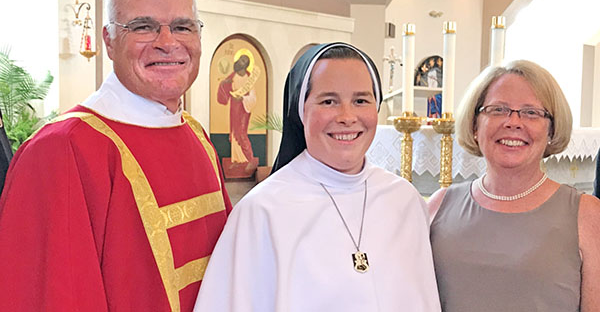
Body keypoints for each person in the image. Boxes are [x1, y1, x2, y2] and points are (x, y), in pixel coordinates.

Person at [0, 0, 231, 312]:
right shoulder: (62, 150)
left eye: (183, 26)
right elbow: (52, 297)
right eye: (143, 26)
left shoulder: (196, 136)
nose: (168, 42)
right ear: (108, 40)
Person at [194, 42, 441, 311]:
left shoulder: (404, 200)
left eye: (360, 100)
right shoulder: (261, 212)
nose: (347, 117)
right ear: (301, 111)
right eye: (328, 101)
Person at [428, 60, 600, 311]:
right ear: (475, 125)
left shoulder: (587, 215)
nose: (513, 122)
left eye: (531, 112)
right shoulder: (438, 207)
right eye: (498, 109)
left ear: (551, 130)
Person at [217, 53, 258, 173]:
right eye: (240, 60)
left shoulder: (249, 78)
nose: (241, 62)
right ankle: (237, 160)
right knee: (234, 132)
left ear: (246, 65)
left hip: (244, 107)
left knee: (241, 132)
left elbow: (253, 97)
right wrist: (224, 84)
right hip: (234, 106)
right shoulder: (233, 76)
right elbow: (226, 87)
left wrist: (243, 99)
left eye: (244, 61)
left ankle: (249, 159)